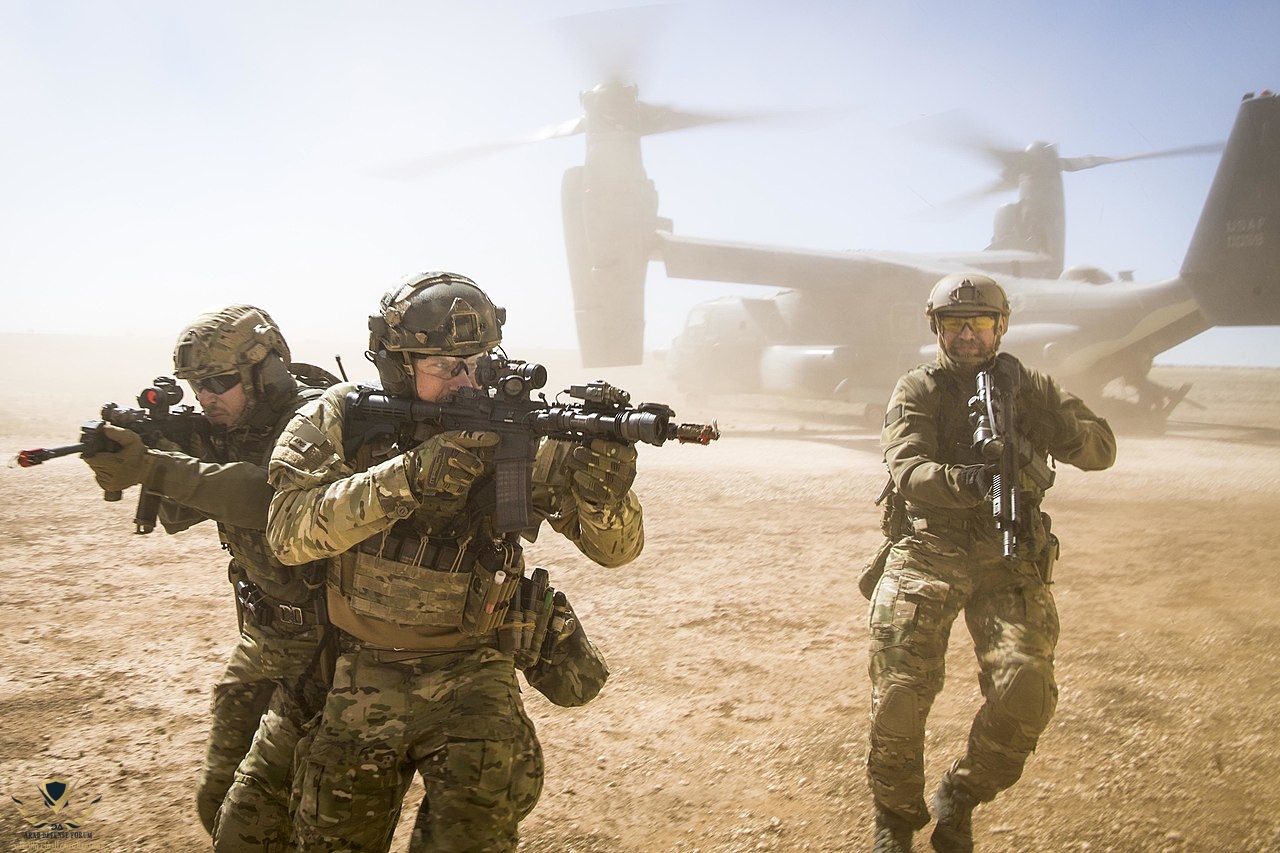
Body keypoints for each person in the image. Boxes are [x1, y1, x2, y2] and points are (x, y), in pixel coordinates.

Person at [264, 270, 644, 852]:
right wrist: (410, 477)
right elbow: (288, 532)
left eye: (477, 363)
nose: (466, 382)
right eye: (444, 367)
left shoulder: (517, 431)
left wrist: (601, 493)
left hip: (476, 675)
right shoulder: (341, 416)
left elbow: (617, 551)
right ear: (398, 365)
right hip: (363, 672)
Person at [864, 273, 1117, 853]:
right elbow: (909, 470)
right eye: (955, 323)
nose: (968, 335)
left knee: (1026, 693)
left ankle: (963, 793)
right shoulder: (918, 388)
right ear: (937, 328)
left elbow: (1103, 449)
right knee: (899, 698)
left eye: (980, 322)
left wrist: (1060, 430)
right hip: (930, 551)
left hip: (1010, 560)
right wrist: (968, 481)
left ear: (1001, 326)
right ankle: (897, 820)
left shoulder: (1030, 385)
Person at [81, 305, 334, 842]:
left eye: (220, 381)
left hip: (334, 649)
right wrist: (152, 452)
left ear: (264, 371)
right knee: (218, 796)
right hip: (266, 638)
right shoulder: (227, 428)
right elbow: (180, 514)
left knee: (304, 820)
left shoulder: (321, 420)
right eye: (197, 386)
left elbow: (267, 497)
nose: (207, 397)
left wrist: (158, 466)